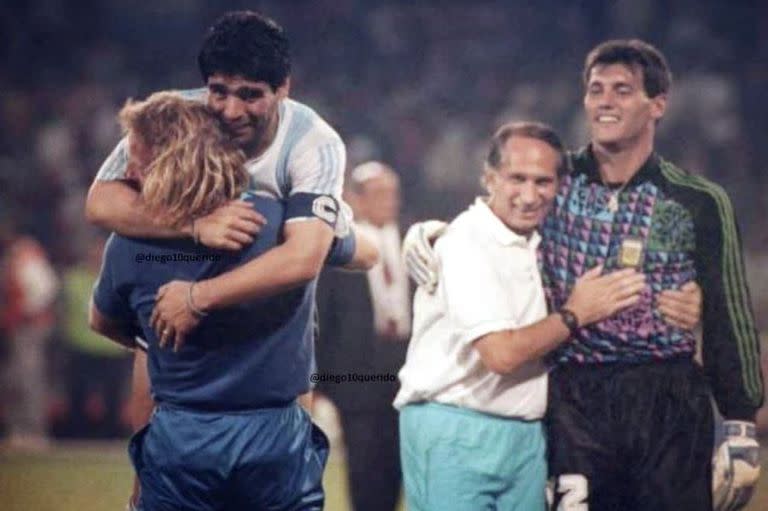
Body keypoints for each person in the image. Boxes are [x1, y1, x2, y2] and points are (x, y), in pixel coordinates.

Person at [403, 40, 761, 511]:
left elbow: (729, 313)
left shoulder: (698, 200)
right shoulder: (554, 179)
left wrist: (740, 419)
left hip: (669, 400)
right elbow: (494, 222)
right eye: (596, 90)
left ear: (658, 104)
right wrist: (431, 234)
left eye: (622, 90)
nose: (605, 102)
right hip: (576, 399)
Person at [90, 91, 332, 510]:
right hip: (275, 434)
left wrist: (158, 336)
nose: (127, 172)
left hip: (181, 434)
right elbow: (356, 250)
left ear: (169, 165)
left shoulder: (128, 243)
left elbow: (102, 322)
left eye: (138, 160)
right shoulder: (279, 224)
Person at [395, 121, 647, 511]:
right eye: (517, 179)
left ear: (559, 186)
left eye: (542, 182)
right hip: (454, 427)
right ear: (489, 178)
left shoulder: (541, 243)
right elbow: (501, 355)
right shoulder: (466, 242)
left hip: (526, 433)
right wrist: (575, 313)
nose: (529, 196)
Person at [316, 161, 411, 511]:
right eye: (379, 193)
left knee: (409, 470)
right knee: (367, 474)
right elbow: (321, 317)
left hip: (409, 374)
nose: (390, 201)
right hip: (358, 379)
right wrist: (320, 383)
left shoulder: (415, 239)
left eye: (393, 193)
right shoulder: (337, 247)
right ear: (353, 198)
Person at [0, 211, 59, 451]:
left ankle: (34, 432)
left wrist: (28, 311)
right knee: (16, 379)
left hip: (29, 327)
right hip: (17, 327)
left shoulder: (26, 251)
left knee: (29, 379)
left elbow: (47, 287)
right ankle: (19, 431)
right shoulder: (15, 253)